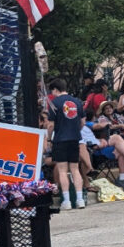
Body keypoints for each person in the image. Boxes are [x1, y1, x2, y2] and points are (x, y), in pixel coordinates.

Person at [46, 78, 85, 210]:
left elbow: (51, 124)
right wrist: (75, 130)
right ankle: (80, 200)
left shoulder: (53, 103)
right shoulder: (77, 102)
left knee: (63, 170)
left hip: (60, 139)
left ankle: (67, 201)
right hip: (74, 139)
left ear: (55, 89)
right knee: (75, 169)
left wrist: (48, 139)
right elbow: (83, 122)